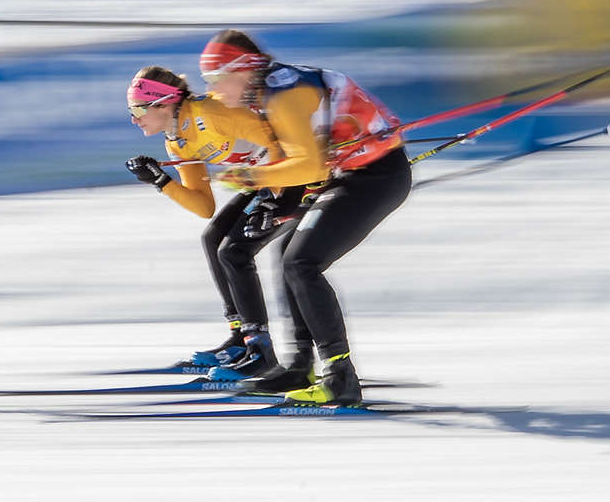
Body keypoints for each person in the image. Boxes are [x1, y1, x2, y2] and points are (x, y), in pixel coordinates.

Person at [200, 29, 412, 405]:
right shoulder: (269, 89)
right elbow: (301, 161)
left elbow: (308, 165)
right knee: (289, 258)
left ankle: (340, 378)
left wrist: (252, 178)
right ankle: (300, 365)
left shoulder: (282, 96)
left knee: (302, 263)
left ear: (242, 71)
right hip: (350, 174)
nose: (215, 90)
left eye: (216, 79)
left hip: (375, 177)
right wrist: (273, 196)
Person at [123, 66, 305, 378]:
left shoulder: (209, 113)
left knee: (233, 251)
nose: (133, 118)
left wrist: (281, 196)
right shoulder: (177, 140)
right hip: (266, 180)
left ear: (163, 103)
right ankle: (241, 337)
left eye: (137, 109)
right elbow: (204, 205)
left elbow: (281, 142)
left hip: (295, 174)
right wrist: (160, 180)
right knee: (213, 238)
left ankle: (260, 349)